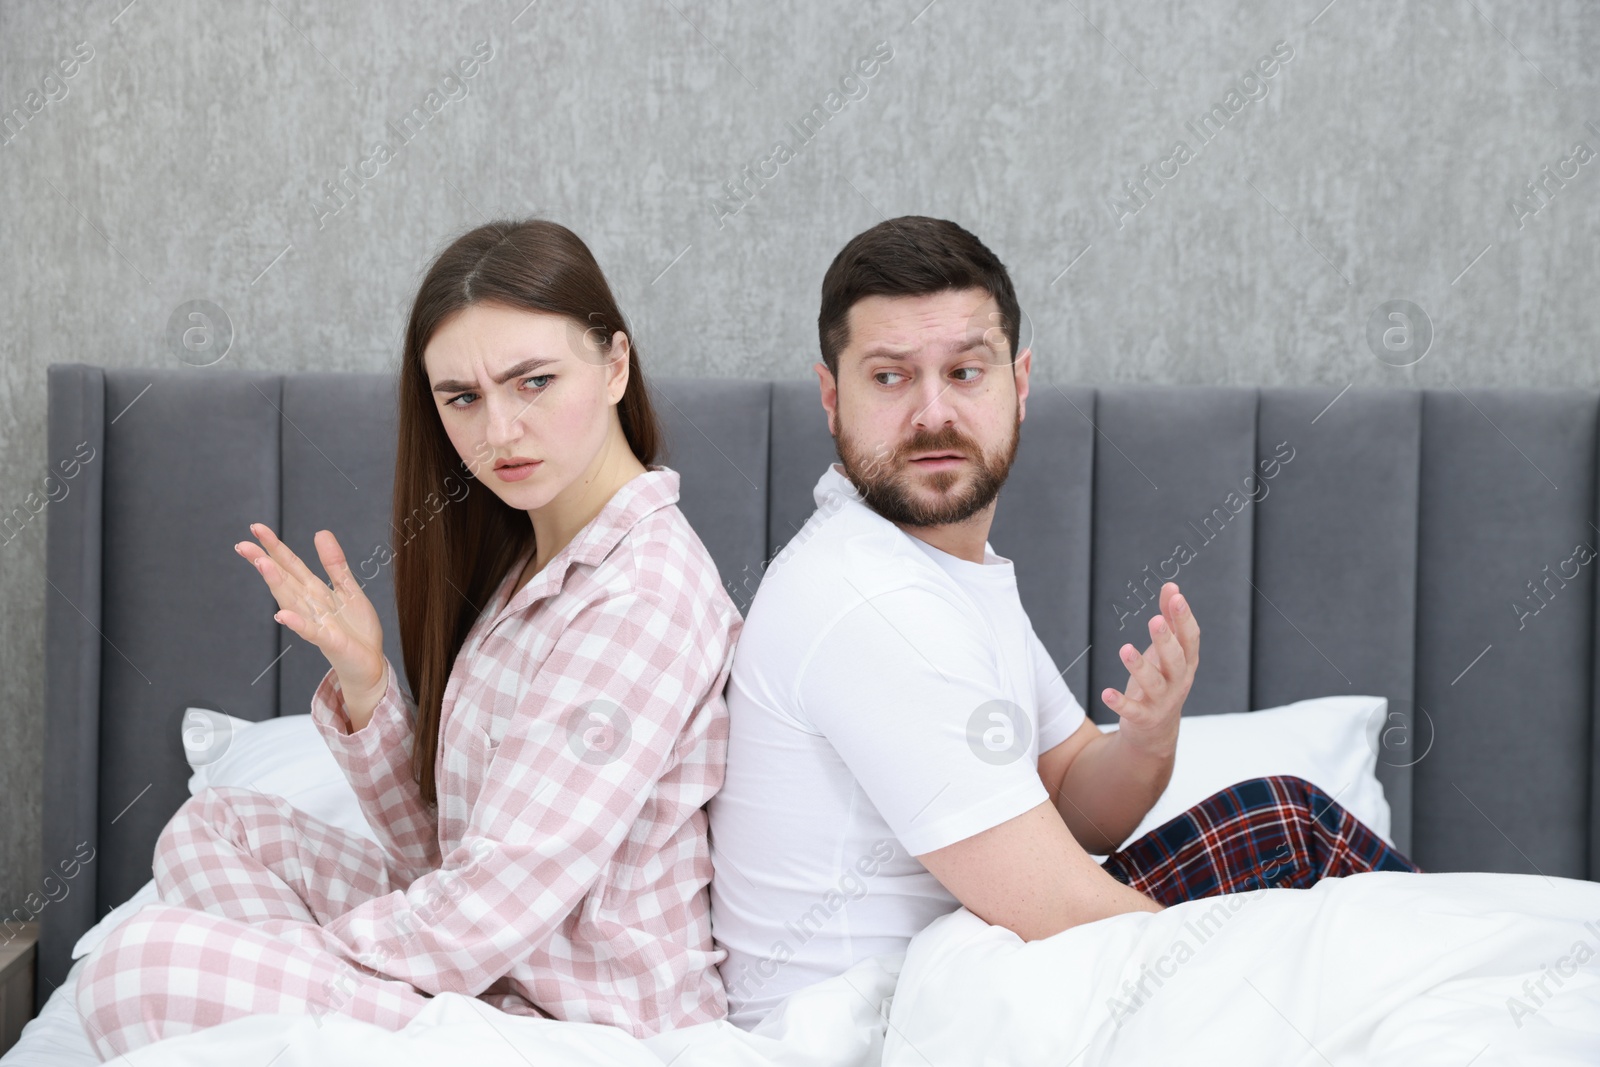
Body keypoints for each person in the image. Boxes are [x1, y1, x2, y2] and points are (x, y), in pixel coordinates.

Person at [706, 215, 1421, 1029]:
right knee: (1286, 832)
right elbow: (1066, 908)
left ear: (1020, 381)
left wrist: (1147, 738)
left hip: (957, 992)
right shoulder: (872, 602)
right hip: (883, 1032)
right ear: (833, 398)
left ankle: (1454, 982)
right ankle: (1465, 985)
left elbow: (1082, 803)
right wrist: (1274, 997)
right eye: (891, 378)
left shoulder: (943, 573)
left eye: (966, 372)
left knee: (1289, 838)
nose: (932, 413)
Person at [76, 219, 743, 1059]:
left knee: (132, 970)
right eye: (462, 397)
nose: (497, 431)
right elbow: (446, 852)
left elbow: (489, 904)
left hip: (578, 1023)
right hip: (499, 973)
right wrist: (367, 682)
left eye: (533, 381)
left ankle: (305, 1018)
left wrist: (300, 966)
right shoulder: (530, 567)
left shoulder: (638, 594)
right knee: (216, 827)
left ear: (616, 364)